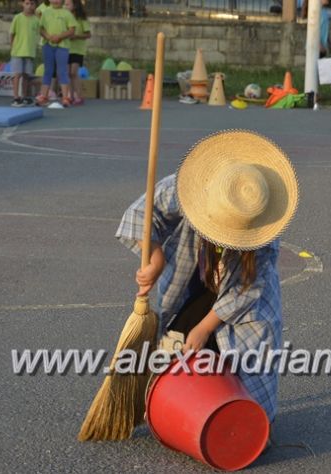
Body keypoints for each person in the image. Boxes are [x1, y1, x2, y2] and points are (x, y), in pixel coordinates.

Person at [115, 130, 299, 423]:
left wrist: (204, 329)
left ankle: (241, 415)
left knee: (246, 360)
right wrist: (154, 257)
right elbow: (142, 214)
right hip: (194, 282)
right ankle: (171, 402)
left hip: (245, 305)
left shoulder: (262, 232)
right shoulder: (187, 188)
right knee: (175, 340)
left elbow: (244, 292)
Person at [36, 0, 75, 107]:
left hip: (62, 46)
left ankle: (65, 97)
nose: (56, 1)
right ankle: (44, 96)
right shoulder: (46, 12)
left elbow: (72, 30)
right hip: (47, 45)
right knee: (48, 70)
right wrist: (48, 37)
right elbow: (41, 29)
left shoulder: (67, 13)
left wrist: (60, 37)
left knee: (62, 71)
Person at [9, 0, 39, 107]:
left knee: (26, 75)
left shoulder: (36, 20)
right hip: (18, 51)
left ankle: (24, 97)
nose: (29, 6)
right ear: (22, 4)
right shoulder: (18, 17)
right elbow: (12, 34)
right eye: (27, 3)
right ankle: (16, 98)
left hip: (29, 52)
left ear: (35, 5)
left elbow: (39, 32)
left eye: (32, 4)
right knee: (17, 74)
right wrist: (13, 47)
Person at [65, 0, 90, 105]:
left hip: (78, 50)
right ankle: (70, 96)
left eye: (67, 4)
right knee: (67, 73)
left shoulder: (82, 19)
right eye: (64, 4)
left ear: (74, 5)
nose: (65, 6)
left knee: (73, 72)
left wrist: (76, 36)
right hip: (67, 48)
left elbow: (88, 34)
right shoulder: (65, 18)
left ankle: (79, 96)